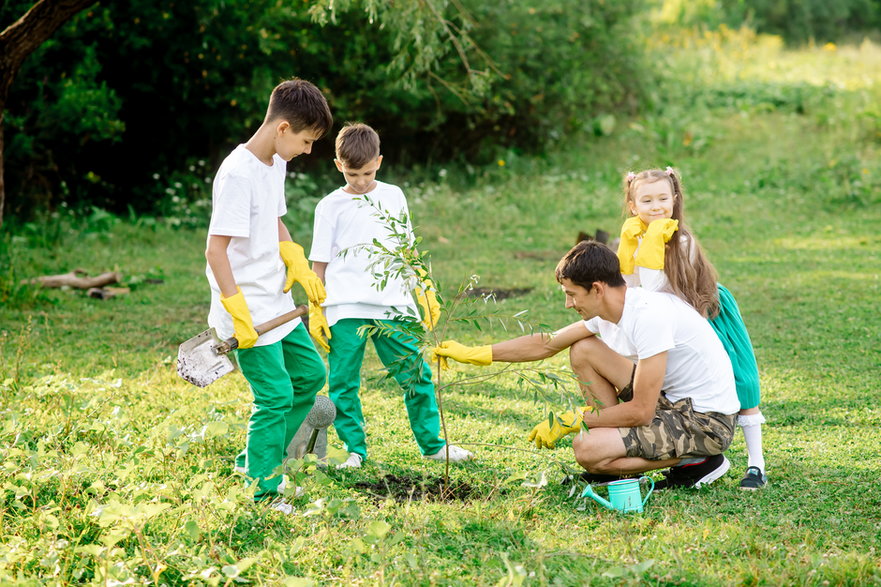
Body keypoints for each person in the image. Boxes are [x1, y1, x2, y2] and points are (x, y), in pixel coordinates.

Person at [432, 241, 740, 489]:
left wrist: (575, 420)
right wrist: (475, 353)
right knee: (583, 350)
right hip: (674, 402)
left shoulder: (648, 317)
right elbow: (548, 342)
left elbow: (641, 411)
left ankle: (699, 460)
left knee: (588, 449)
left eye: (571, 294)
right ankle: (624, 457)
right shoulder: (614, 308)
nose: (568, 304)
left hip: (706, 421)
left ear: (597, 288)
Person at [308, 122, 473, 469]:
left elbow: (407, 249)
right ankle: (354, 450)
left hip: (393, 305)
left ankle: (433, 445)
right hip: (344, 307)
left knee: (416, 375)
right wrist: (316, 309)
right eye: (353, 174)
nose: (362, 181)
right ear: (339, 166)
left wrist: (424, 287)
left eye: (367, 172)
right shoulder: (329, 206)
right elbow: (318, 264)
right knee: (342, 383)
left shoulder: (393, 195)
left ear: (379, 161)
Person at [204, 78, 332, 506]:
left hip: (274, 298)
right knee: (274, 394)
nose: (308, 151)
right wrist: (236, 310)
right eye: (307, 140)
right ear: (282, 128)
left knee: (311, 375)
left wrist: (294, 256)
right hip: (246, 308)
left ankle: (258, 456)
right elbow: (215, 249)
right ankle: (262, 488)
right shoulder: (238, 173)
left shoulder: (275, 162)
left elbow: (274, 220)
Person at [617, 166, 768, 490]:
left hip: (704, 311)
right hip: (670, 321)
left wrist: (652, 241)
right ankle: (697, 460)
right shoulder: (635, 236)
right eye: (646, 200)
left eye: (662, 198)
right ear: (633, 205)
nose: (656, 206)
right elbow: (632, 289)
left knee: (742, 382)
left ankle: (757, 465)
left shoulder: (679, 238)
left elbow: (655, 289)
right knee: (676, 388)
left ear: (675, 199)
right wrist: (631, 248)